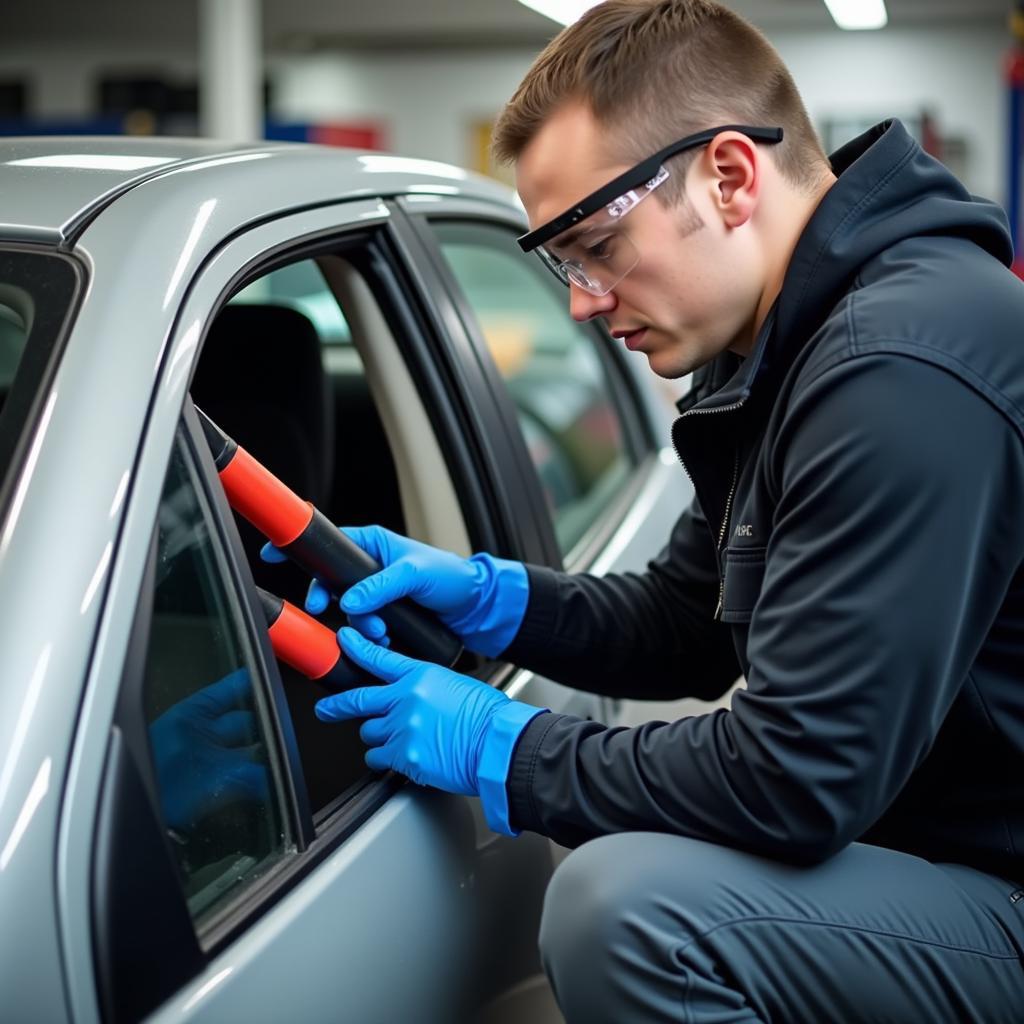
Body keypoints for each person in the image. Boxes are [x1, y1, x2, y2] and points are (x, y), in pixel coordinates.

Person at [268, 1, 1024, 1019]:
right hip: (929, 843)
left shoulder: (898, 367)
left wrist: (504, 745)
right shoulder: (777, 349)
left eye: (595, 243)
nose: (579, 301)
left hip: (998, 884)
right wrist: (496, 600)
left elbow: (798, 777)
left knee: (626, 907)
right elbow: (688, 622)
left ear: (727, 175)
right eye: (560, 262)